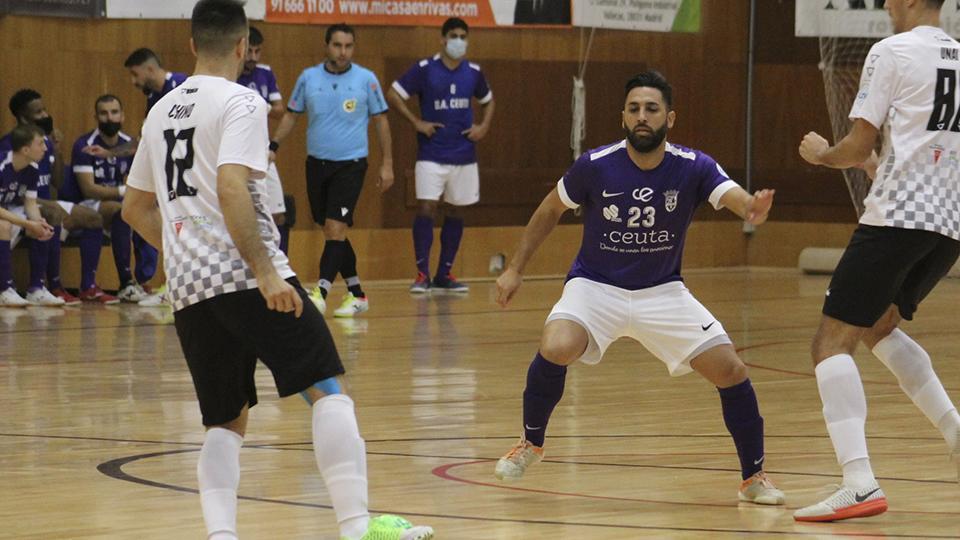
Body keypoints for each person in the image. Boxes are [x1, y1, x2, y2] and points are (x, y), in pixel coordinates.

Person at [121, 2, 433, 539]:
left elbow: (134, 209)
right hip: (247, 276)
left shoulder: (160, 110)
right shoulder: (241, 101)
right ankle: (357, 527)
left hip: (191, 288)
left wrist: (184, 254)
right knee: (327, 391)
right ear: (243, 47)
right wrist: (265, 272)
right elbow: (231, 185)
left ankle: (222, 536)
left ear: (193, 45)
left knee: (226, 421)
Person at [492, 71, 785, 507]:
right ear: (623, 117)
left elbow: (732, 196)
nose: (642, 117)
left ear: (670, 116)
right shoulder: (595, 164)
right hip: (596, 287)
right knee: (556, 344)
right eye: (634, 109)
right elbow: (549, 209)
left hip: (662, 292)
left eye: (651, 109)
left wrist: (752, 208)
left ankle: (753, 477)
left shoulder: (693, 165)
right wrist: (514, 269)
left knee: (732, 371)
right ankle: (531, 443)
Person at [795, 0, 960, 522]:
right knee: (878, 324)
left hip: (896, 219)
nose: (887, 3)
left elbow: (855, 145)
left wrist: (821, 153)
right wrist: (877, 162)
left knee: (830, 343)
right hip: (949, 224)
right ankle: (956, 434)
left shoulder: (891, 51)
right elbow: (922, 148)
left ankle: (859, 482)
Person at [271, 23, 394, 318]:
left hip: (351, 164)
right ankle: (357, 294)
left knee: (336, 227)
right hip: (317, 164)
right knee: (331, 230)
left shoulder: (366, 79)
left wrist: (387, 162)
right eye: (338, 45)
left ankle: (321, 292)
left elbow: (381, 122)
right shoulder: (308, 78)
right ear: (327, 46)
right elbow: (291, 115)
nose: (343, 52)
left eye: (348, 46)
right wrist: (273, 145)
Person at [388, 17, 495, 294]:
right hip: (431, 152)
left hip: (464, 155)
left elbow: (489, 101)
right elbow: (394, 93)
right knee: (426, 207)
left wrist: (482, 127)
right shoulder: (425, 69)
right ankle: (422, 274)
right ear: (443, 39)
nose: (459, 41)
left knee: (456, 210)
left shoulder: (473, 72)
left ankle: (444, 274)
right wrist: (416, 122)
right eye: (454, 35)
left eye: (463, 36)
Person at [3, 89, 106, 305]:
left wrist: (56, 148)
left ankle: (42, 287)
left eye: (44, 109)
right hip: (11, 206)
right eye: (38, 111)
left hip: (24, 206)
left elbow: (56, 183)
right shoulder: (7, 153)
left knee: (56, 217)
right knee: (45, 214)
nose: (45, 115)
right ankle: (17, 286)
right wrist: (28, 222)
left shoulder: (38, 154)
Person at [67, 95, 150, 303]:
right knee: (122, 211)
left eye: (114, 112)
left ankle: (143, 279)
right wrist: (124, 192)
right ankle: (125, 282)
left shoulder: (127, 144)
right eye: (103, 113)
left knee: (145, 210)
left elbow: (136, 181)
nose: (109, 118)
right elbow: (89, 190)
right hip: (86, 206)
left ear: (122, 116)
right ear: (96, 117)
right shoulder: (85, 145)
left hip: (118, 202)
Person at [237, 25, 289, 254]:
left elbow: (280, 110)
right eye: (249, 51)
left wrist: (255, 103)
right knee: (239, 213)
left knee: (278, 213)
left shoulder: (265, 72)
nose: (253, 57)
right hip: (236, 153)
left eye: (258, 51)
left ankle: (283, 269)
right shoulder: (230, 73)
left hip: (263, 152)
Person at [0, 125, 55, 306]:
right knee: (4, 225)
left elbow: (30, 204)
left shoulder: (32, 168)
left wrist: (38, 223)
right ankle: (4, 289)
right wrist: (27, 224)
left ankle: (36, 288)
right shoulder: (2, 165)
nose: (45, 149)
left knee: (41, 225)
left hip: (7, 210)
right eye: (40, 144)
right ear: (25, 149)